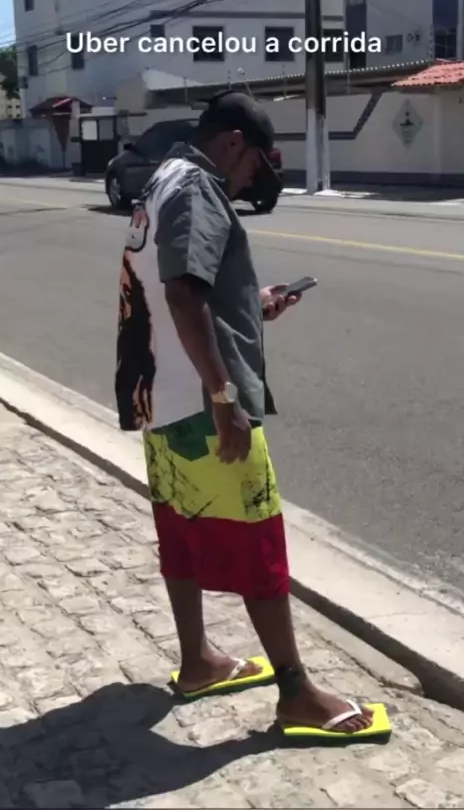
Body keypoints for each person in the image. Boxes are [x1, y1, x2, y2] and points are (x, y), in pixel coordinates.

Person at [115, 91, 373, 735]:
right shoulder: (199, 188)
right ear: (233, 143)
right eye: (256, 161)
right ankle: (297, 695)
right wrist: (224, 396)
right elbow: (183, 294)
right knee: (259, 539)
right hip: (202, 407)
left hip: (160, 398)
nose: (254, 176)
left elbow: (178, 292)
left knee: (179, 533)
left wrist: (251, 304)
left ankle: (198, 661)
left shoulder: (162, 181)